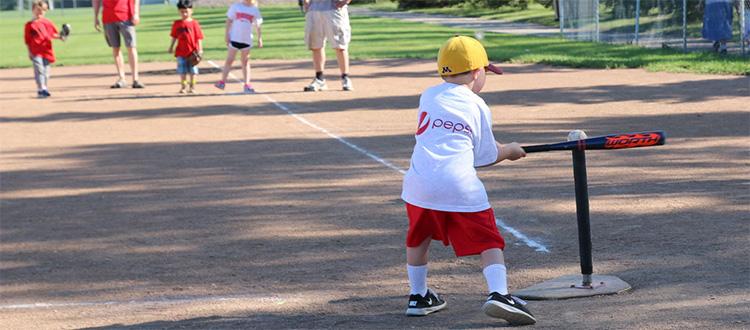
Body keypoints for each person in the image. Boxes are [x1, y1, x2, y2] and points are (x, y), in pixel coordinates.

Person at [401, 36, 536, 326]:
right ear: (477, 72)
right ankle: (499, 294)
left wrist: (496, 146)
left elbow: (453, 137)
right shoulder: (477, 104)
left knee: (419, 237)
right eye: (486, 71)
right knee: (489, 241)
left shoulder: (428, 95)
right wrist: (510, 151)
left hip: (418, 184)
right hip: (460, 186)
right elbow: (484, 156)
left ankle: (418, 295)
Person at [302, 0, 353, 92]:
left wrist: (345, 1)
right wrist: (305, 2)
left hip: (334, 9)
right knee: (315, 45)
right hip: (314, 9)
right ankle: (319, 79)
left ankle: (345, 78)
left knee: (340, 46)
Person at [214, 0, 263, 94]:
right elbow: (228, 21)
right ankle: (222, 82)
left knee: (245, 62)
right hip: (235, 38)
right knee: (229, 60)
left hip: (246, 40)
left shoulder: (255, 10)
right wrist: (227, 35)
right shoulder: (236, 6)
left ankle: (247, 85)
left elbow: (258, 25)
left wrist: (260, 38)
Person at [93, 0, 144, 88]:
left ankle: (135, 79)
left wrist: (136, 13)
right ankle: (122, 78)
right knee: (115, 48)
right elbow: (96, 1)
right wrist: (96, 17)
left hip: (126, 16)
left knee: (131, 47)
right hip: (108, 18)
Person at [24, 0, 63, 98]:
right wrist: (29, 52)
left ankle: (43, 87)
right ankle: (41, 88)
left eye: (43, 10)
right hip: (35, 51)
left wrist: (61, 36)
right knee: (39, 69)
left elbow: (53, 34)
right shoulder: (29, 25)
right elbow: (27, 40)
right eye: (38, 10)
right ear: (33, 10)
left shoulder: (47, 23)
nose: (40, 12)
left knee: (46, 71)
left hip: (46, 50)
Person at [168, 0, 203, 94]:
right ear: (178, 11)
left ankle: (192, 86)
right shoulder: (177, 23)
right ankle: (183, 86)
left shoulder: (195, 23)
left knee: (193, 71)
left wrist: (200, 49)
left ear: (191, 11)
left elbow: (199, 37)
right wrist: (171, 47)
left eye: (186, 11)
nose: (184, 13)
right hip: (180, 52)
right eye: (182, 11)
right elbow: (174, 36)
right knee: (182, 71)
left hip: (193, 52)